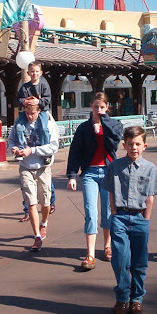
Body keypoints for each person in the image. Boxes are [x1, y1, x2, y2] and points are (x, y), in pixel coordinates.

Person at [102, 126, 157, 314]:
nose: (133, 148)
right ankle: (122, 298)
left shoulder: (150, 168)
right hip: (120, 217)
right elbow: (111, 192)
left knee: (139, 262)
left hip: (140, 218)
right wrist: (114, 213)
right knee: (120, 259)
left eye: (137, 144)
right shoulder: (115, 166)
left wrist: (146, 219)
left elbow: (150, 197)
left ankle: (137, 298)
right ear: (124, 145)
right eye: (130, 144)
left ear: (144, 146)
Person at [66, 92, 123, 270]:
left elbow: (114, 144)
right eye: (96, 106)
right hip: (90, 172)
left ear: (107, 108)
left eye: (102, 107)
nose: (99, 110)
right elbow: (75, 151)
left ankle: (107, 246)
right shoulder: (83, 128)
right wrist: (72, 175)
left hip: (108, 171)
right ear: (91, 106)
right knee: (91, 212)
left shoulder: (114, 124)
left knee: (108, 211)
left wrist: (104, 123)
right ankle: (90, 253)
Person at [7, 103, 59, 252]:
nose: (29, 117)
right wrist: (13, 148)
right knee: (31, 202)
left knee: (45, 202)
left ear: (39, 111)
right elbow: (10, 141)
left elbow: (54, 147)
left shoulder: (47, 124)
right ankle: (37, 236)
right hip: (25, 167)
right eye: (27, 113)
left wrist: (32, 150)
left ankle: (44, 222)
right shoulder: (19, 124)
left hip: (42, 166)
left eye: (33, 113)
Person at [16, 60, 55, 222]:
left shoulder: (44, 85)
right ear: (28, 73)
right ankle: (20, 148)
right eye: (31, 71)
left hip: (41, 112)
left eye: (36, 71)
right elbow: (19, 99)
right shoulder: (25, 87)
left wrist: (37, 102)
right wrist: (25, 102)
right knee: (18, 127)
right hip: (27, 113)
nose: (34, 74)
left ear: (40, 72)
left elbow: (47, 100)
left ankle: (45, 149)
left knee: (44, 128)